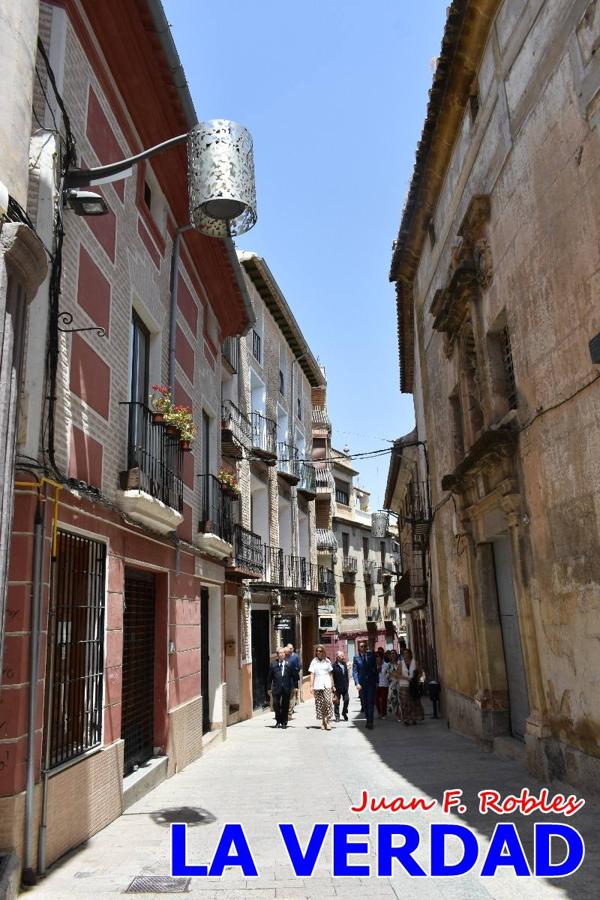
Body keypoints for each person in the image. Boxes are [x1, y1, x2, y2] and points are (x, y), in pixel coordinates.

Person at [266, 647, 296, 729]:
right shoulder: (273, 664)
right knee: (276, 704)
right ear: (277, 655)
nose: (281, 654)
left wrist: (295, 686)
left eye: (283, 653)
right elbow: (269, 677)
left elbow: (294, 676)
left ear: (285, 654)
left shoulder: (289, 663)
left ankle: (284, 722)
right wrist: (269, 688)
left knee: (285, 705)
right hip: (276, 688)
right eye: (280, 653)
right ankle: (278, 721)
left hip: (286, 687)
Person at [352, 639, 378, 729]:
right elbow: (355, 672)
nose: (363, 648)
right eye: (361, 646)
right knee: (365, 703)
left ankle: (370, 721)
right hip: (362, 684)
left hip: (370, 682)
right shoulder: (356, 658)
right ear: (359, 648)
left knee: (370, 701)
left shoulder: (371, 656)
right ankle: (367, 718)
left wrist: (377, 681)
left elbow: (375, 669)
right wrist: (357, 683)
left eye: (364, 646)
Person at [397, 648, 425, 725]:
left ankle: (413, 718)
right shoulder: (401, 663)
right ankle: (406, 719)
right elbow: (397, 674)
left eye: (407, 653)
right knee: (405, 703)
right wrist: (405, 678)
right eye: (404, 653)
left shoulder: (414, 662)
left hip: (413, 686)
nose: (405, 655)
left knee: (413, 702)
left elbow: (420, 672)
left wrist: (417, 678)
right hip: (403, 685)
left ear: (410, 654)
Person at [308, 645, 334, 730]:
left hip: (327, 684)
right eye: (317, 651)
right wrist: (311, 686)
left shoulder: (327, 661)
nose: (318, 652)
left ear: (323, 651)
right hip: (317, 684)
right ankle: (323, 721)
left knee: (328, 702)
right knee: (320, 703)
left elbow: (330, 674)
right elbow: (312, 674)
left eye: (320, 651)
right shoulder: (314, 661)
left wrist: (333, 685)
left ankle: (328, 721)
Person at [332, 651, 350, 721]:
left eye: (343, 656)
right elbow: (332, 677)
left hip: (345, 687)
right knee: (336, 702)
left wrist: (347, 684)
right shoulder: (334, 666)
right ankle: (337, 716)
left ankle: (344, 712)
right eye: (342, 656)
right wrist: (333, 686)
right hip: (337, 687)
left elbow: (346, 675)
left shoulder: (344, 664)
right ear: (338, 657)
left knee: (347, 700)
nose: (343, 657)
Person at [285, 644, 301, 718]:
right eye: (289, 649)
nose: (290, 650)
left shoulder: (295, 657)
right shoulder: (284, 658)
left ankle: (290, 712)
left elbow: (299, 667)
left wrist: (295, 670)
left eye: (291, 648)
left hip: (293, 678)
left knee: (292, 695)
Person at [386, 650, 402, 720]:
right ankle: (396, 712)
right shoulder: (388, 665)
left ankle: (399, 714)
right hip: (392, 684)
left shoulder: (400, 663)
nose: (393, 655)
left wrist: (395, 674)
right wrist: (392, 675)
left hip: (400, 683)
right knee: (393, 699)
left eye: (394, 653)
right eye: (391, 654)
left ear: (396, 655)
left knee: (400, 699)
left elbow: (402, 673)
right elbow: (387, 675)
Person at [375, 648, 390, 719]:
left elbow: (389, 674)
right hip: (376, 685)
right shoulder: (374, 666)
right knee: (376, 700)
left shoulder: (386, 665)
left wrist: (388, 675)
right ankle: (379, 712)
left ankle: (384, 714)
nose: (377, 659)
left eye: (379, 657)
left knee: (383, 700)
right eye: (376, 657)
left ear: (381, 658)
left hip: (384, 684)